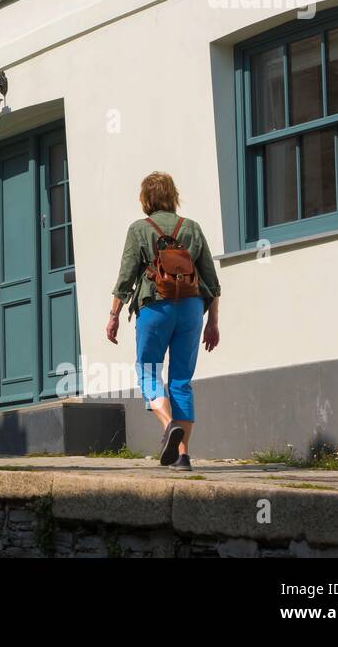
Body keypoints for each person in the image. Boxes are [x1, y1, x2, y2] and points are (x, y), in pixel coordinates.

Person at [105, 172, 220, 471]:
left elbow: (126, 277)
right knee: (181, 381)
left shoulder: (139, 229)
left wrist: (114, 315)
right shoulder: (192, 228)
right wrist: (213, 323)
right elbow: (212, 281)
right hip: (192, 308)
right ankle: (183, 457)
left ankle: (169, 425)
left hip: (155, 306)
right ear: (173, 196)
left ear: (146, 198)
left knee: (149, 370)